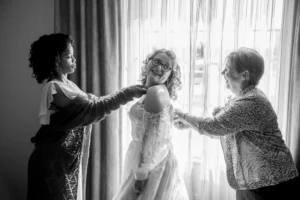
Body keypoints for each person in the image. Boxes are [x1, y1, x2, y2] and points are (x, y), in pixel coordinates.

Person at [26, 33, 148, 200]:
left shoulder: (68, 84)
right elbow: (94, 109)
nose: (74, 59)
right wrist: (128, 93)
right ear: (55, 61)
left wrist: (128, 92)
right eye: (69, 56)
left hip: (62, 161)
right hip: (51, 162)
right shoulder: (54, 88)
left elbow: (96, 103)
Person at [174, 47, 299, 200]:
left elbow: (214, 126)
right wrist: (188, 124)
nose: (222, 73)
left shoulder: (251, 101)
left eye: (226, 69)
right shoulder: (242, 98)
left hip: (271, 182)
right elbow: (225, 128)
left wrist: (181, 114)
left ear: (244, 75)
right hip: (254, 181)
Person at [113, 49, 189, 200]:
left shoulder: (155, 92)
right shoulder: (150, 91)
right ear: (147, 62)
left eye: (166, 67)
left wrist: (141, 174)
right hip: (147, 158)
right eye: (157, 61)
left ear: (170, 75)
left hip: (151, 163)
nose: (159, 67)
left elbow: (154, 140)